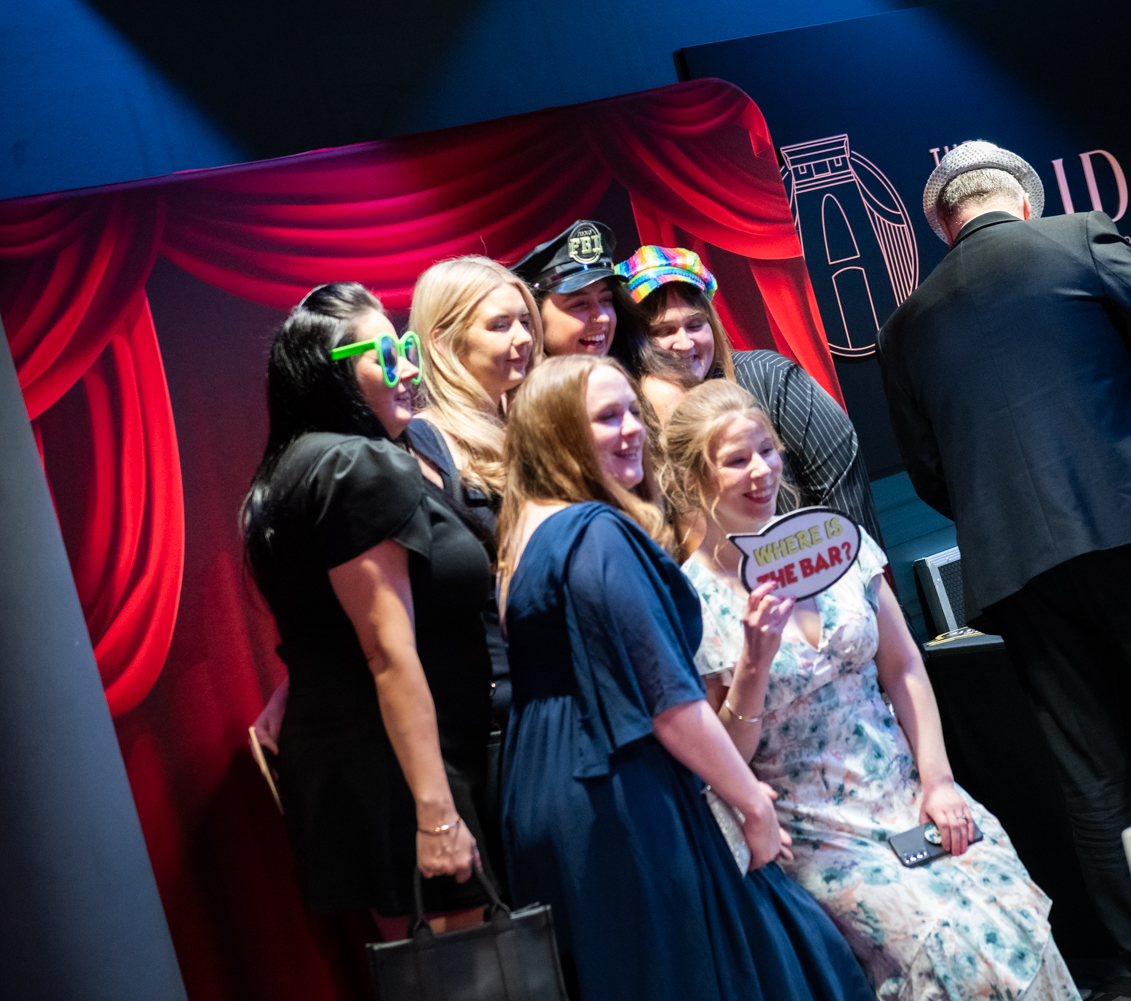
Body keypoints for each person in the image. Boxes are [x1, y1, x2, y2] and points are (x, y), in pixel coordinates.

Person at [877, 142, 1131, 992]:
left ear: (942, 226)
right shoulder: (1080, 236)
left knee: (1093, 777)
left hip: (1020, 575)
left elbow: (928, 471)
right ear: (1023, 200)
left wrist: (1006, 519)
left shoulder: (904, 327)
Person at [666, 380, 1081, 1001]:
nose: (760, 471)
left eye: (767, 451)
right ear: (693, 478)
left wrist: (938, 781)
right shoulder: (691, 601)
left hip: (905, 794)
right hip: (818, 832)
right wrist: (752, 665)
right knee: (946, 950)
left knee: (1007, 906)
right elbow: (724, 761)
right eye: (735, 460)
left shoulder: (835, 545)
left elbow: (904, 665)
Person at [497, 354, 876, 1001]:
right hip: (620, 792)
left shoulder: (521, 534)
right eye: (606, 418)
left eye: (632, 412)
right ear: (558, 432)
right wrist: (752, 803)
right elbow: (668, 700)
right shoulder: (597, 533)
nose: (631, 430)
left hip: (545, 791)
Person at [241, 283, 495, 937]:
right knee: (478, 968)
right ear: (331, 373)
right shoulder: (357, 464)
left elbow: (329, 624)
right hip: (409, 769)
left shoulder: (290, 469)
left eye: (405, 347)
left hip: (363, 766)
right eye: (384, 355)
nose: (408, 368)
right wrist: (436, 814)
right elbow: (386, 649)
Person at [613, 245, 884, 544]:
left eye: (695, 325)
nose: (685, 343)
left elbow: (842, 490)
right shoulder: (625, 423)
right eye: (663, 332)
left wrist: (848, 565)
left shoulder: (772, 378)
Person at [407, 254, 540, 723]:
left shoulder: (533, 426)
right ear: (443, 342)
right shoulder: (422, 442)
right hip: (495, 710)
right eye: (500, 325)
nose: (523, 337)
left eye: (525, 321)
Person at [511, 219, 634, 359]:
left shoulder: (637, 371)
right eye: (579, 303)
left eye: (606, 299)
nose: (603, 317)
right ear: (534, 316)